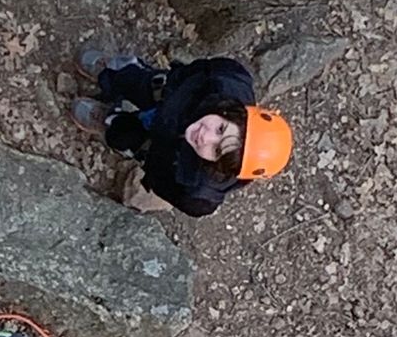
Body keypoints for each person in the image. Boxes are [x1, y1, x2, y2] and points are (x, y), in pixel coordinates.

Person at [69, 46, 292, 216]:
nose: (205, 136)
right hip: (167, 95)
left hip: (156, 146)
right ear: (233, 114)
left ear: (220, 167)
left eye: (216, 150)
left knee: (122, 135)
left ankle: (110, 120)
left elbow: (162, 184)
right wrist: (172, 83)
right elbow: (197, 69)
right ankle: (111, 72)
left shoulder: (197, 192)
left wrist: (151, 159)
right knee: (132, 79)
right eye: (221, 128)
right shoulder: (228, 80)